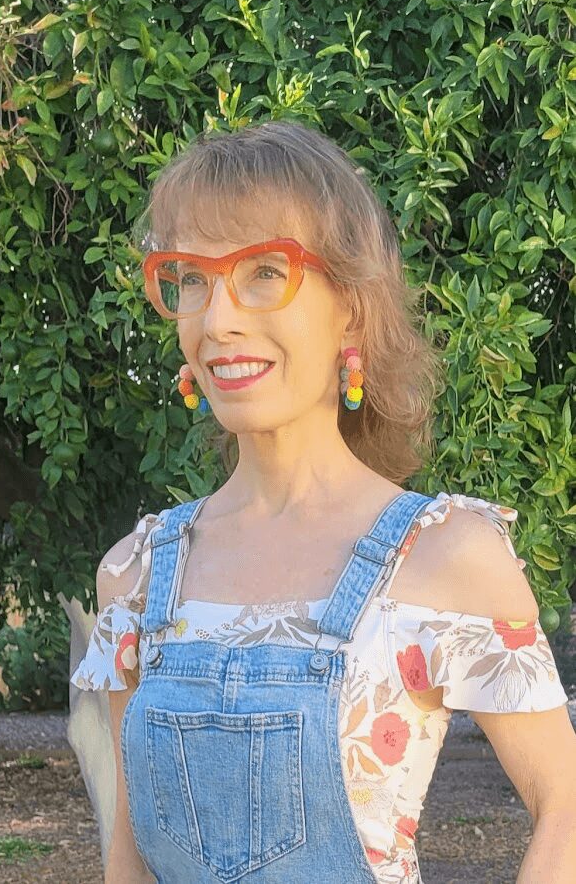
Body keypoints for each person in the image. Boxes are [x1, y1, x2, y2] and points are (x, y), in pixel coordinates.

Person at [71, 120, 573, 883]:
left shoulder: (445, 557)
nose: (217, 319)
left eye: (263, 271)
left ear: (351, 306)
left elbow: (564, 803)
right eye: (191, 277)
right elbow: (130, 854)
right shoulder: (134, 578)